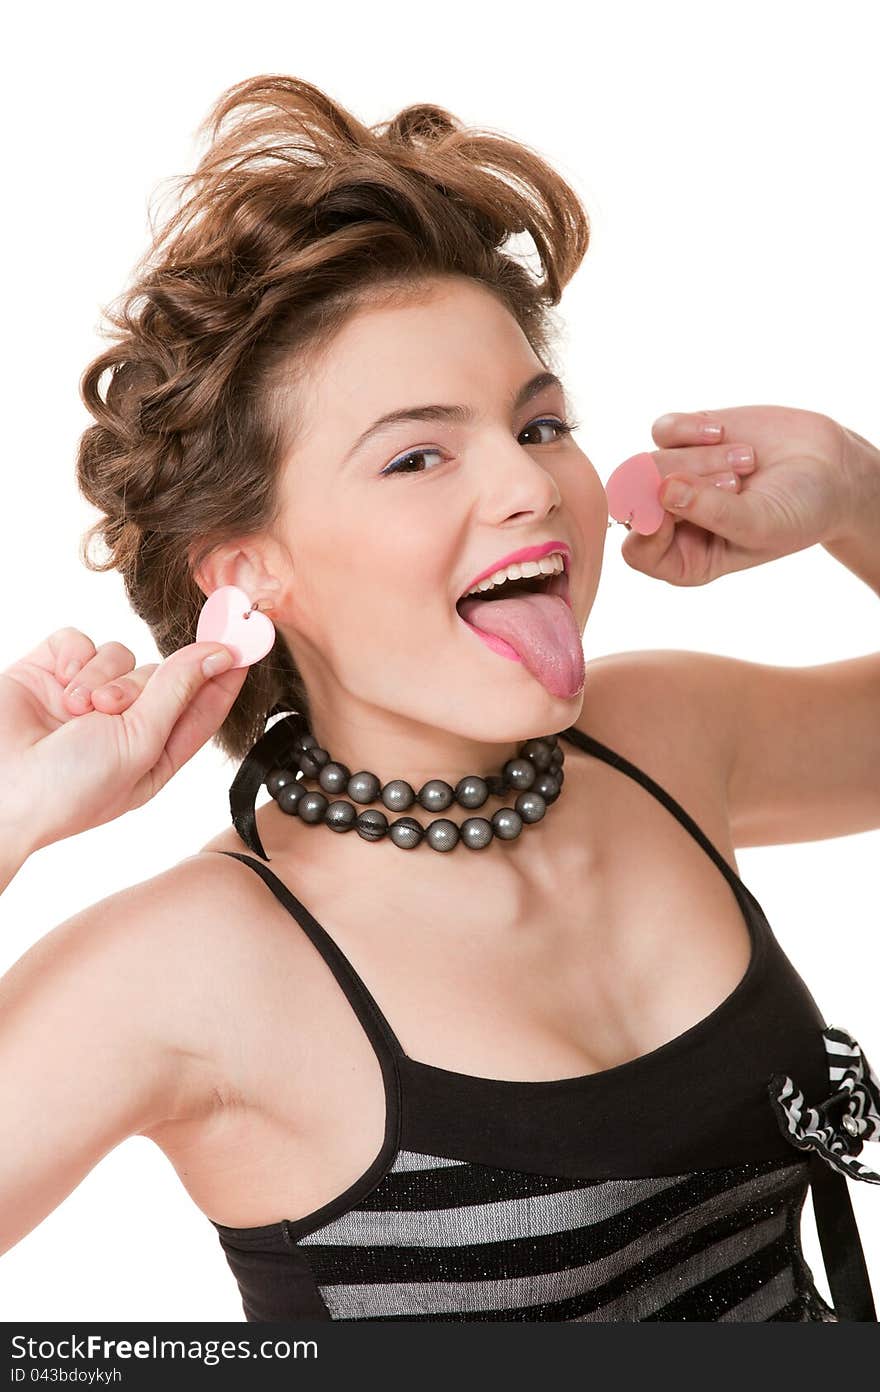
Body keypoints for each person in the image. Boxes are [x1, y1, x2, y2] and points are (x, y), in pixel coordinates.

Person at [1, 73, 878, 1324]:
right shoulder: (196, 963)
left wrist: (854, 489)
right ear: (252, 575)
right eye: (418, 453)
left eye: (537, 427)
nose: (528, 488)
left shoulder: (666, 744)